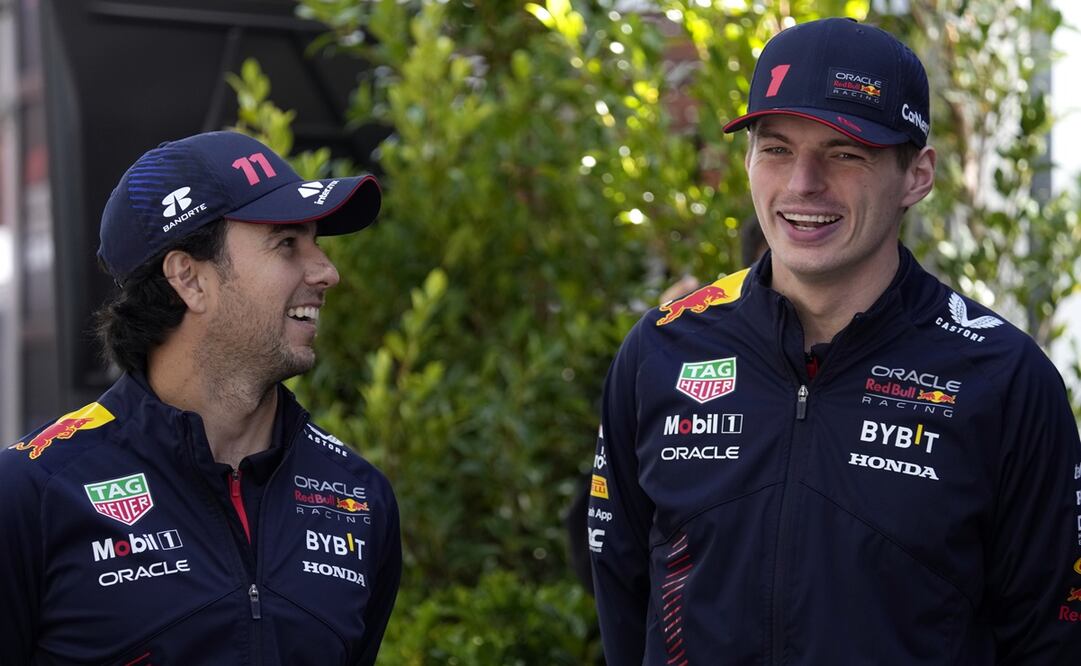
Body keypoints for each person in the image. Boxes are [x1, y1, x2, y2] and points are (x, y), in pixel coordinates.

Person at [588, 17, 1081, 664]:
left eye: (845, 152)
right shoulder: (661, 351)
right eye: (776, 149)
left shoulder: (1001, 377)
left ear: (916, 174)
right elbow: (623, 598)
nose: (802, 184)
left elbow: (1049, 637)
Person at [0, 131, 401, 664]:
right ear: (189, 278)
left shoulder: (359, 498)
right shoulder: (33, 494)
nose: (326, 271)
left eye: (316, 242)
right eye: (287, 243)